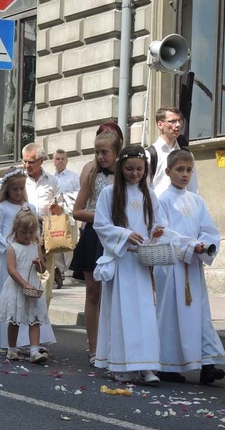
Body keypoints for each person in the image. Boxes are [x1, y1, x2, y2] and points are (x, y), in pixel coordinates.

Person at [93, 145, 166, 384]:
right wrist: (124, 235)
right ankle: (121, 364)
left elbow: (159, 221)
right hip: (122, 260)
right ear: (121, 168)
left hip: (142, 261)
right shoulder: (109, 194)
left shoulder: (150, 194)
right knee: (122, 313)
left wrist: (157, 230)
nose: (135, 174)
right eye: (130, 169)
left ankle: (146, 365)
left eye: (139, 169)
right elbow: (101, 225)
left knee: (145, 314)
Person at [154, 149, 225, 384]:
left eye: (188, 170)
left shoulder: (197, 200)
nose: (185, 175)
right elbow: (161, 232)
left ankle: (208, 364)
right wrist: (190, 245)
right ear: (168, 172)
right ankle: (168, 365)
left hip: (193, 267)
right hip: (171, 266)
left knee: (201, 315)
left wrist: (204, 245)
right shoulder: (162, 200)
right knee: (172, 316)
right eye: (179, 170)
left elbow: (209, 229)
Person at [0, 168, 56, 350]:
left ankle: (30, 341)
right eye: (15, 189)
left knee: (28, 300)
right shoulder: (2, 208)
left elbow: (36, 231)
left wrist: (34, 248)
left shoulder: (30, 207)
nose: (19, 193)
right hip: (9, 257)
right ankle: (6, 341)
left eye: (21, 188)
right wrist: (12, 246)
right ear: (7, 189)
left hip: (27, 258)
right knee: (11, 300)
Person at [71, 128, 122, 366]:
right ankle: (93, 348)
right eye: (97, 152)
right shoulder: (92, 175)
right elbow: (78, 210)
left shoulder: (126, 174)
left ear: (116, 152)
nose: (100, 157)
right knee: (93, 293)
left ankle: (115, 345)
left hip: (119, 237)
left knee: (116, 293)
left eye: (104, 152)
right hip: (95, 237)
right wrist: (102, 217)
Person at [0, 208, 51, 364]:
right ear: (15, 231)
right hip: (17, 286)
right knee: (15, 320)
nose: (27, 236)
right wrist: (25, 284)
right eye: (23, 232)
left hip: (32, 284)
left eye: (31, 233)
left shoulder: (35, 246)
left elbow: (42, 269)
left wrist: (39, 263)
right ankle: (12, 348)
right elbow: (11, 269)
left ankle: (34, 349)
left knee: (35, 319)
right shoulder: (13, 248)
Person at [23, 142, 60, 307]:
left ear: (41, 160)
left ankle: (42, 311)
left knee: (46, 273)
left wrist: (57, 207)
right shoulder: (20, 179)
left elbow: (62, 207)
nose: (27, 165)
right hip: (24, 232)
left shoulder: (52, 180)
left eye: (31, 162)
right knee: (26, 270)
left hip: (46, 231)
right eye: (24, 161)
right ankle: (26, 309)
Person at [147, 106, 199, 197]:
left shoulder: (187, 154)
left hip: (182, 208)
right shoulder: (150, 154)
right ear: (160, 124)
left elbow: (193, 189)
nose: (178, 125)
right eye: (173, 121)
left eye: (180, 121)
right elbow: (144, 189)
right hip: (159, 208)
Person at [50, 149, 80, 289]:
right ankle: (59, 273)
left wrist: (66, 197)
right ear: (53, 161)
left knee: (68, 244)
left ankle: (68, 274)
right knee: (56, 242)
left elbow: (79, 195)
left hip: (68, 215)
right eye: (57, 159)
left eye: (63, 158)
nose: (60, 161)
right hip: (54, 216)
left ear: (67, 160)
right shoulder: (50, 177)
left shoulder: (73, 177)